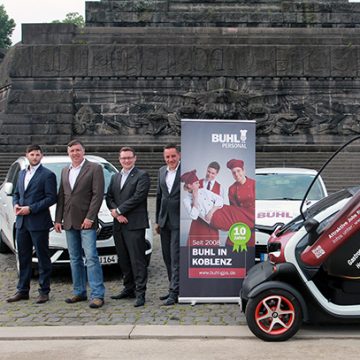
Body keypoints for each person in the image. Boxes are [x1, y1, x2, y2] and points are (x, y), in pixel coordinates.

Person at [54, 140, 105, 309]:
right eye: (72, 151)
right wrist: (57, 219)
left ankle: (97, 294)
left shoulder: (94, 168)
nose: (75, 153)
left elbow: (97, 195)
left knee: (91, 257)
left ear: (83, 151)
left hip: (86, 221)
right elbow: (62, 196)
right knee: (74, 258)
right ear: (68, 153)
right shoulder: (64, 170)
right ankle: (79, 291)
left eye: (77, 150)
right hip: (69, 221)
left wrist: (90, 217)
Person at [6, 145, 57, 304]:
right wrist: (15, 204)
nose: (34, 157)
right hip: (21, 223)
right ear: (26, 155)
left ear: (42, 156)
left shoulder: (48, 175)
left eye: (37, 154)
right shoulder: (21, 173)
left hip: (39, 222)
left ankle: (44, 291)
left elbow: (51, 198)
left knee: (43, 258)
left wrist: (31, 209)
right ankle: (22, 290)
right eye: (32, 154)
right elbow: (16, 193)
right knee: (23, 257)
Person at [106, 146, 150, 308]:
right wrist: (116, 214)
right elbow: (109, 197)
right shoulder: (115, 177)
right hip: (119, 224)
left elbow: (138, 197)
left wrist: (119, 210)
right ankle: (128, 288)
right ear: (119, 159)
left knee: (137, 260)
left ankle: (140, 293)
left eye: (129, 157)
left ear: (135, 158)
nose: (126, 160)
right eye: (123, 158)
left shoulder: (142, 175)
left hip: (134, 225)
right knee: (123, 259)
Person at [181, 170, 253, 233]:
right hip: (215, 218)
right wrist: (195, 198)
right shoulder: (186, 200)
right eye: (196, 183)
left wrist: (211, 211)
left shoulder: (203, 191)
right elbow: (194, 216)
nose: (199, 184)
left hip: (221, 209)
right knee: (241, 223)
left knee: (243, 213)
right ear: (190, 185)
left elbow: (219, 199)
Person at [155, 143, 181, 306]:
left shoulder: (186, 171)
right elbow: (159, 196)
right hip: (164, 221)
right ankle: (173, 286)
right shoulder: (161, 171)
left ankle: (175, 292)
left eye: (173, 156)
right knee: (167, 257)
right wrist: (158, 220)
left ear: (179, 155)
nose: (170, 159)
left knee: (176, 256)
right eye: (167, 157)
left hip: (179, 220)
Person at [187, 161, 223, 246]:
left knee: (212, 251)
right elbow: (189, 199)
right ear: (206, 169)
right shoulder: (196, 183)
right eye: (208, 171)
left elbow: (220, 205)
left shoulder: (220, 188)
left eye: (213, 173)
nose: (209, 175)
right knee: (193, 250)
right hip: (197, 223)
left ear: (217, 173)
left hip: (212, 224)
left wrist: (211, 212)